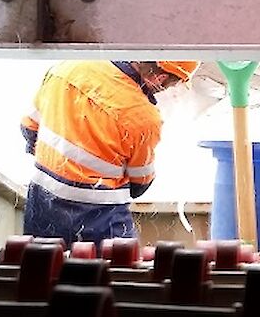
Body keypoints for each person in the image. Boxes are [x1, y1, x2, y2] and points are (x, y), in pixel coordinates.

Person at [21, 60, 197, 242]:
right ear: (159, 78)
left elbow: (29, 128)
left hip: (43, 203)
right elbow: (140, 183)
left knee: (41, 264)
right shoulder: (144, 118)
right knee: (117, 266)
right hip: (100, 217)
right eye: (171, 85)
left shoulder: (67, 69)